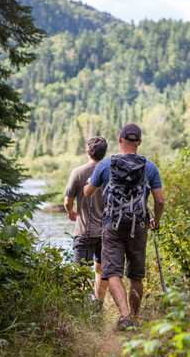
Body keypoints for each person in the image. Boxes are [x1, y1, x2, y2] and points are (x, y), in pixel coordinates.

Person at [84, 123, 165, 330]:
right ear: (139, 142)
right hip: (139, 226)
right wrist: (155, 220)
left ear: (120, 140)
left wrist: (87, 184)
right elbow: (160, 200)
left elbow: (88, 192)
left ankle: (125, 316)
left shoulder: (105, 165)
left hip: (112, 225)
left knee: (112, 273)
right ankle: (135, 319)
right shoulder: (150, 167)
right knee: (136, 275)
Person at [64, 136, 109, 305]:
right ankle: (98, 304)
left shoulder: (77, 172)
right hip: (106, 231)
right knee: (102, 269)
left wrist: (71, 212)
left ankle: (79, 307)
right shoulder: (109, 173)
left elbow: (67, 201)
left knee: (79, 273)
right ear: (104, 153)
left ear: (87, 151)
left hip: (83, 231)